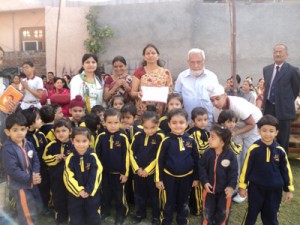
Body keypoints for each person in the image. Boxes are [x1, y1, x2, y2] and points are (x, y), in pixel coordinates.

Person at [208, 84, 262, 203]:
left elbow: (251, 124)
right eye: (212, 100)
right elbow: (219, 126)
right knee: (235, 158)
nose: (215, 103)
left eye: (217, 99)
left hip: (253, 127)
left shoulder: (237, 105)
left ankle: (244, 190)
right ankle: (234, 188)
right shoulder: (216, 109)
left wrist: (235, 133)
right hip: (234, 129)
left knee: (247, 157)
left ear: (225, 96)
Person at [239, 115, 294, 225]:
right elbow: (246, 169)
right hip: (256, 189)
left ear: (276, 132)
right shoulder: (253, 149)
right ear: (259, 131)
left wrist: (289, 189)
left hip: (274, 190)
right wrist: (242, 186)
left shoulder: (280, 151)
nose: (267, 134)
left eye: (271, 131)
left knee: (271, 216)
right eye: (264, 130)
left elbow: (286, 171)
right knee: (251, 214)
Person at [155, 108, 199, 225]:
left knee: (184, 201)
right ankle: (166, 220)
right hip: (169, 177)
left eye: (181, 122)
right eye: (174, 123)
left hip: (187, 177)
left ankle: (182, 220)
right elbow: (160, 161)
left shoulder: (191, 140)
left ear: (187, 124)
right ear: (169, 124)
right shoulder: (166, 141)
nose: (178, 125)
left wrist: (196, 178)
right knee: (169, 201)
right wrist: (158, 179)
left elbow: (196, 160)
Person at [2, 112, 42, 225]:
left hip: (31, 182)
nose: (19, 133)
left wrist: (35, 173)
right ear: (7, 132)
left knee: (33, 206)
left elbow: (35, 160)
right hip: (20, 186)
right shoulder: (7, 149)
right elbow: (13, 170)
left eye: (22, 129)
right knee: (27, 211)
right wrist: (30, 179)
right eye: (15, 130)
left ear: (27, 129)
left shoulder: (28, 143)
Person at [263, 43, 300, 154]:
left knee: (282, 138)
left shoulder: (292, 70)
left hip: (284, 110)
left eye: (280, 52)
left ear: (286, 55)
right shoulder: (267, 69)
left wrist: (285, 101)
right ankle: (267, 159)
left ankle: (281, 161)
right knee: (267, 134)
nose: (277, 54)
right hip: (269, 107)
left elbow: (295, 89)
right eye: (275, 52)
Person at [95, 108, 129, 225]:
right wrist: (97, 171)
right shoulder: (101, 136)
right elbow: (96, 155)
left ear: (120, 122)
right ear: (104, 122)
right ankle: (105, 210)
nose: (113, 126)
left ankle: (121, 213)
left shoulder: (123, 137)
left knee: (120, 195)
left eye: (115, 123)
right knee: (105, 193)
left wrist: (125, 173)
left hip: (118, 173)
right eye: (109, 122)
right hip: (104, 172)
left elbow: (126, 156)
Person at [129, 110, 164, 225]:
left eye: (152, 127)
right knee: (139, 194)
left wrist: (148, 170)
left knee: (154, 196)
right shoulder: (138, 135)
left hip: (152, 173)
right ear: (141, 125)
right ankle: (140, 213)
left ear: (158, 124)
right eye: (146, 128)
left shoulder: (160, 137)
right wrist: (137, 169)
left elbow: (159, 157)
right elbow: (131, 152)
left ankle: (156, 216)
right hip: (138, 172)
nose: (149, 131)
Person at [199, 124, 238, 225]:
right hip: (209, 191)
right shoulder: (207, 153)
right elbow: (201, 168)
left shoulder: (231, 155)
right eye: (209, 136)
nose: (209, 139)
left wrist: (231, 187)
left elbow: (233, 173)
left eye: (212, 137)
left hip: (224, 193)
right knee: (207, 213)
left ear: (222, 142)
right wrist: (205, 182)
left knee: (223, 214)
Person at [64, 127, 103, 225]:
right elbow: (68, 177)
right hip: (75, 195)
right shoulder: (70, 158)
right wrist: (79, 190)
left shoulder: (93, 157)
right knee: (76, 216)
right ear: (72, 141)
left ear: (89, 141)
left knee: (93, 215)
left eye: (84, 141)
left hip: (92, 194)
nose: (81, 144)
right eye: (77, 141)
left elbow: (97, 174)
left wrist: (89, 190)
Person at [174, 48, 219, 129]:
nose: (195, 65)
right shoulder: (182, 76)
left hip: (207, 122)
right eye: (192, 62)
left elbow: (217, 98)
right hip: (187, 122)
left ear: (204, 61)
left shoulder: (212, 77)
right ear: (188, 62)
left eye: (199, 62)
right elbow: (177, 97)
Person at [43, 118, 74, 224]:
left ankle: (71, 217)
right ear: (54, 132)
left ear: (70, 131)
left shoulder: (74, 144)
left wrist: (69, 160)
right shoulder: (51, 145)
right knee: (58, 198)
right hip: (56, 179)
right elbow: (45, 158)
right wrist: (56, 158)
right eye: (58, 131)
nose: (61, 133)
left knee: (71, 198)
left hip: (71, 180)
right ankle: (60, 217)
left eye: (64, 130)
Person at [21, 107, 51, 215]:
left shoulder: (41, 134)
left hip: (43, 169)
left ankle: (45, 207)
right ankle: (33, 209)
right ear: (30, 122)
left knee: (45, 188)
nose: (41, 120)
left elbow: (47, 150)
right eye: (38, 119)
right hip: (31, 171)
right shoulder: (24, 138)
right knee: (33, 190)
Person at [130, 43, 173, 118]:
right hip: (143, 110)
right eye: (148, 53)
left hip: (161, 110)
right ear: (144, 57)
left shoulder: (165, 72)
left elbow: (170, 92)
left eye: (153, 53)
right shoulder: (139, 72)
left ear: (158, 56)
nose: (150, 55)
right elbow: (132, 93)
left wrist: (165, 93)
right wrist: (138, 94)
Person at [187, 107, 210, 217]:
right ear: (193, 121)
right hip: (195, 163)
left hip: (202, 163)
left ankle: (200, 205)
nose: (203, 122)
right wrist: (213, 143)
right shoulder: (195, 132)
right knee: (196, 187)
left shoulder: (205, 132)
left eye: (205, 119)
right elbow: (200, 147)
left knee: (200, 185)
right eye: (199, 120)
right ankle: (197, 209)